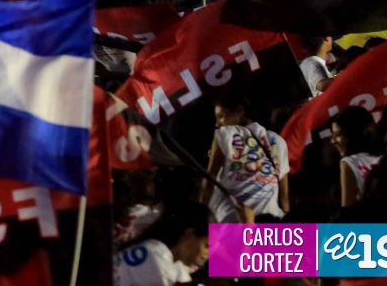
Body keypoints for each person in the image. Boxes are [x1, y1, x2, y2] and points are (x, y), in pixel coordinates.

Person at [202, 90, 289, 223]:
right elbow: (284, 197)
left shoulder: (225, 134)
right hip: (270, 220)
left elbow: (209, 180)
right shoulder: (278, 141)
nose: (217, 124)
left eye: (221, 116)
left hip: (231, 221)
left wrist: (200, 217)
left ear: (240, 111)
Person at [113, 203, 210, 286]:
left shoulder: (154, 249)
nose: (208, 254)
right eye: (207, 246)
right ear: (189, 234)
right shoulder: (157, 263)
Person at [331, 106, 382, 208]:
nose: (333, 141)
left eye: (339, 134)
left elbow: (348, 215)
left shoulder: (349, 163)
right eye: (333, 135)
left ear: (354, 133)